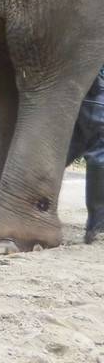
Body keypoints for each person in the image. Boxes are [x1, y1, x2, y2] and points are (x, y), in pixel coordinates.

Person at [69, 66, 104, 244]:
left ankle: (26, 205)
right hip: (100, 101)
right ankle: (96, 225)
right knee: (100, 156)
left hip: (77, 99)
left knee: (57, 156)